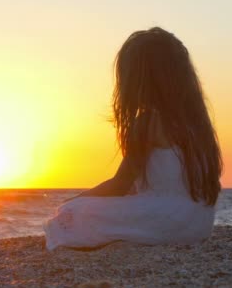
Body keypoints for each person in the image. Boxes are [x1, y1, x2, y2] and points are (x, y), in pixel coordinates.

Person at [43, 27, 222, 250]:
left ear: (141, 81)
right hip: (199, 223)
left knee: (71, 213)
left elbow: (120, 184)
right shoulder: (197, 124)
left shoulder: (149, 122)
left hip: (169, 220)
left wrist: (74, 200)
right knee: (96, 208)